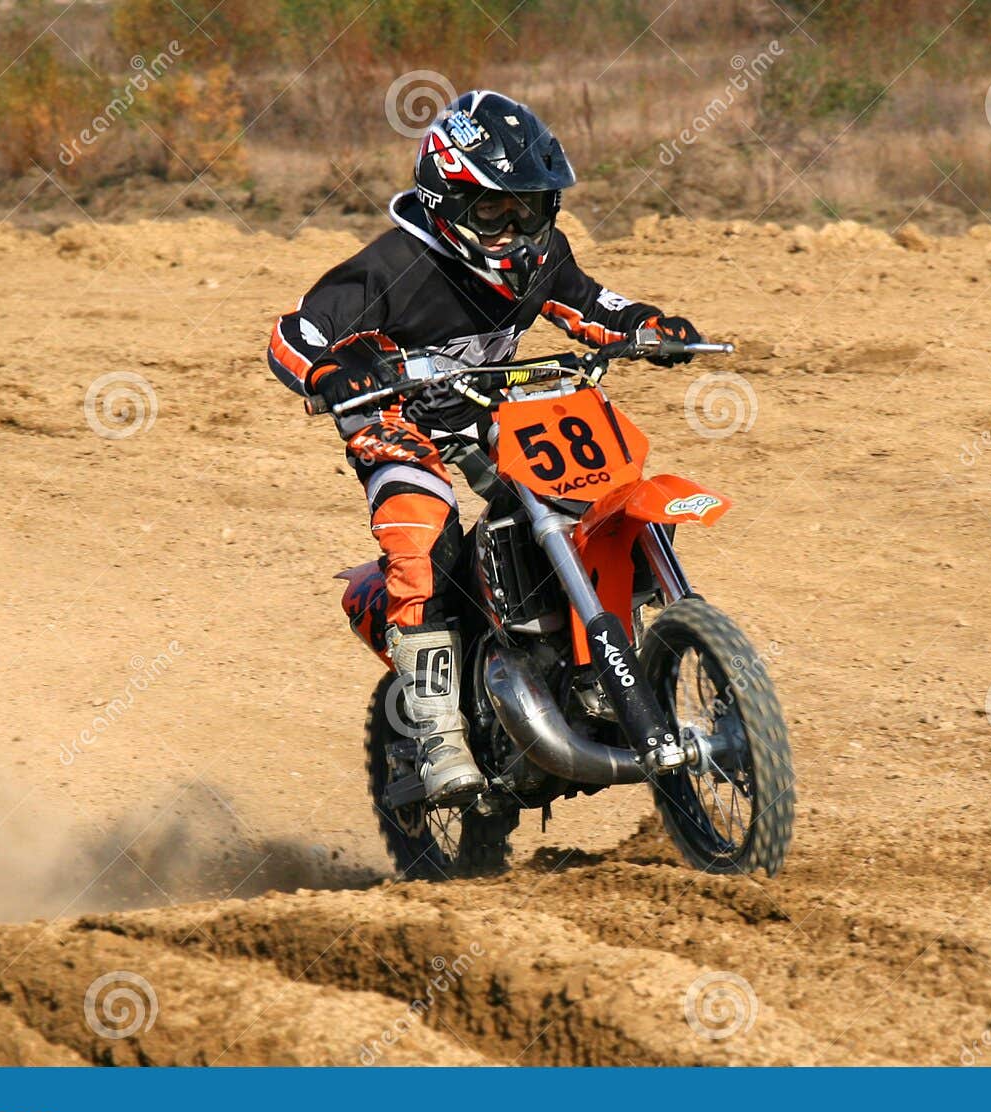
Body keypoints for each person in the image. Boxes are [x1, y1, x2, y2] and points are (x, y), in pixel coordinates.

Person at [266, 89, 703, 804]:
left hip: (488, 411)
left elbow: (590, 304)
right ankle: (436, 729)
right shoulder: (391, 267)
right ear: (447, 201)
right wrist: (332, 372)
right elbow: (294, 334)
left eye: (527, 210)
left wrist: (650, 325)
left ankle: (589, 657)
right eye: (493, 211)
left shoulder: (538, 258)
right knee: (422, 516)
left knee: (590, 479)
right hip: (394, 419)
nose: (513, 229)